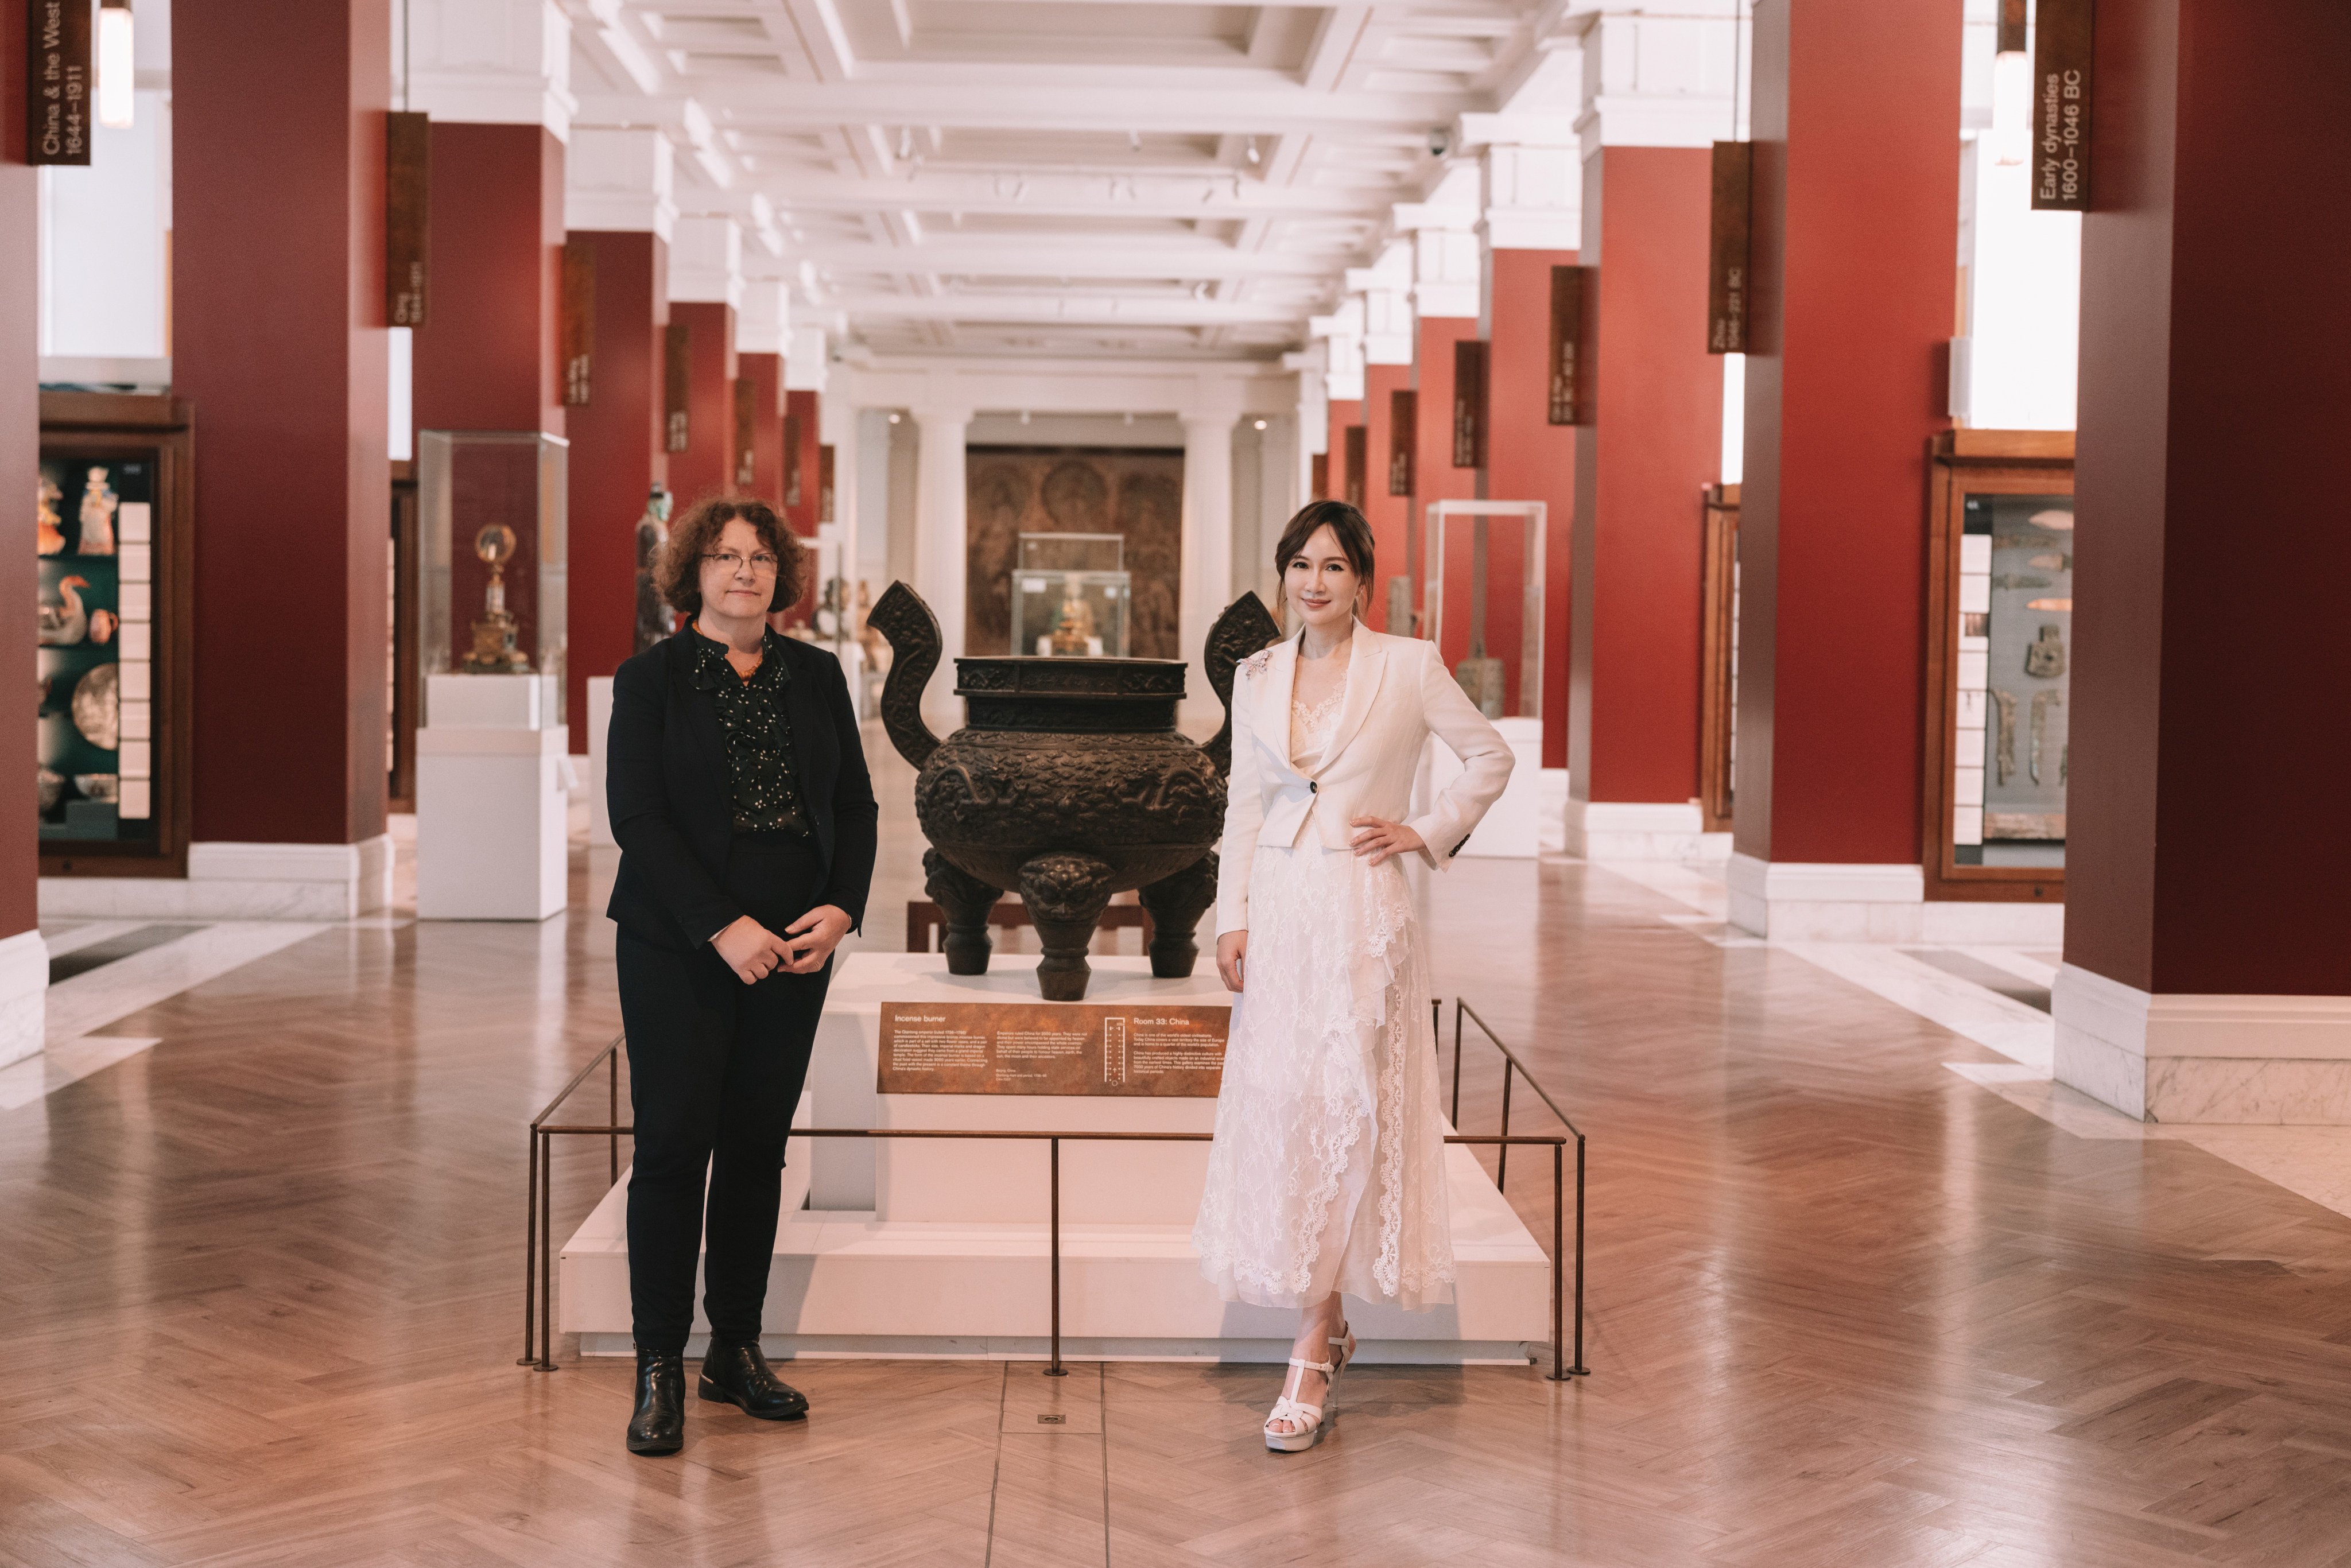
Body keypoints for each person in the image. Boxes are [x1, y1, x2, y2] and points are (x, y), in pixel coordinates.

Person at [1193, 499, 1514, 1454]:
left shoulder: (1408, 665)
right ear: (1283, 575)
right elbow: (1244, 806)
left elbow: (1488, 758)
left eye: (1334, 566)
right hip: (1284, 915)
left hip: (1365, 917)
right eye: (1300, 564)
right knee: (1292, 1108)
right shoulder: (1255, 675)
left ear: (1364, 582)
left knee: (1350, 1110)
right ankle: (1323, 1326)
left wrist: (1422, 830)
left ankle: (1309, 1346)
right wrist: (1234, 916)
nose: (1315, 582)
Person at [605, 495, 878, 1457]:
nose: (744, 572)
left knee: (759, 1148)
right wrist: (722, 926)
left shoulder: (816, 673)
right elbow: (637, 819)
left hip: (797, 947)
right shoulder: (650, 680)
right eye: (725, 557)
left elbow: (854, 798)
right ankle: (656, 1366)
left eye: (760, 558)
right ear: (694, 573)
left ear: (781, 577)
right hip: (681, 944)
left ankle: (734, 1350)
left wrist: (843, 910)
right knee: (677, 1147)